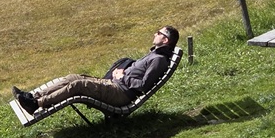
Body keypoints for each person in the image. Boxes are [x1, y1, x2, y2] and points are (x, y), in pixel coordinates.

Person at [13, 25, 179, 115]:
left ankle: (36, 105)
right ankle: (34, 96)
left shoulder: (158, 60)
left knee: (78, 86)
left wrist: (122, 76)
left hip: (120, 93)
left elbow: (143, 85)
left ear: (165, 39)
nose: (155, 33)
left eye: (159, 32)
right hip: (114, 84)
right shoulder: (154, 54)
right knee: (73, 77)